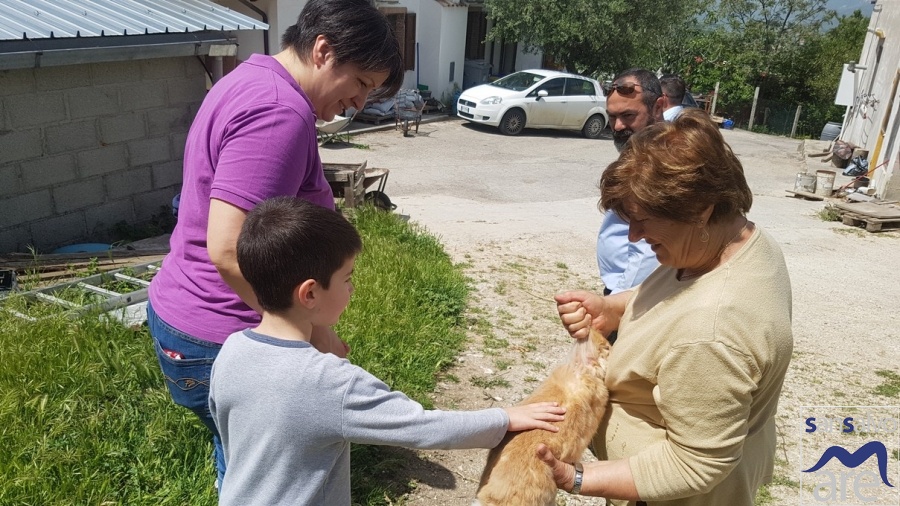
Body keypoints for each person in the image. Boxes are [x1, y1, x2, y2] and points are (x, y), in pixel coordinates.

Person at [145, 0, 405, 485]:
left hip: (185, 312)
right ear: (324, 51)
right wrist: (311, 332)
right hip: (219, 330)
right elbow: (227, 248)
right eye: (362, 84)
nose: (360, 104)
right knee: (263, 479)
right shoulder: (279, 113)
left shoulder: (251, 77)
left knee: (242, 458)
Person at [209, 196, 567, 505]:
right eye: (347, 279)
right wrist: (504, 419)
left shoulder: (232, 350)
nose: (352, 289)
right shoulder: (329, 381)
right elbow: (421, 427)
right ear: (310, 294)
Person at [537, 108, 794, 505]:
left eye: (643, 220)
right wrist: (612, 308)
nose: (635, 236)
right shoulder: (727, 243)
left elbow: (695, 464)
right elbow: (666, 297)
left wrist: (577, 478)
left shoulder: (712, 332)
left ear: (701, 209)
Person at [596, 68, 664, 342]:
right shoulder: (639, 152)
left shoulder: (661, 162)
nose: (618, 126)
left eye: (628, 116)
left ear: (657, 107)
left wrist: (617, 302)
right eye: (613, 117)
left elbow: (644, 251)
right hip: (623, 293)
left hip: (635, 298)